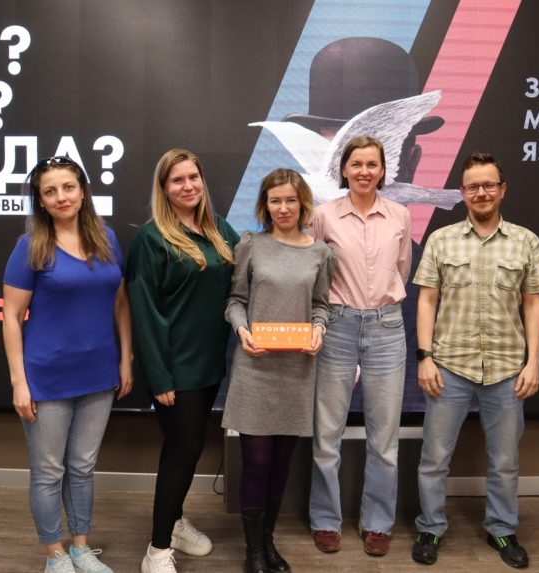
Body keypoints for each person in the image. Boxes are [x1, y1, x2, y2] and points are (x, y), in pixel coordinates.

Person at [411, 152, 539, 568]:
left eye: (489, 185)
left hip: (508, 369)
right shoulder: (441, 240)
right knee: (435, 458)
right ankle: (430, 528)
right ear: (462, 193)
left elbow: (534, 303)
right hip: (449, 366)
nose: (481, 192)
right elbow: (426, 301)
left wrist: (533, 362)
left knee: (505, 461)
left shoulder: (526, 241)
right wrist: (425, 357)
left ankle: (502, 530)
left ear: (502, 189)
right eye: (473, 186)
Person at [3, 155, 132, 573]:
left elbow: (120, 303)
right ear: (40, 200)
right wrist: (19, 383)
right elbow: (10, 317)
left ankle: (80, 548)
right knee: (48, 471)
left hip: (98, 374)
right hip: (47, 376)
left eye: (68, 187)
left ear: (83, 191)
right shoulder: (30, 246)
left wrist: (126, 358)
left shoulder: (107, 238)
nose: (61, 197)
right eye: (50, 191)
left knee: (83, 467)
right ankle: (55, 555)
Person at [126, 148, 240, 573]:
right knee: (184, 451)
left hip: (209, 365)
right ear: (164, 188)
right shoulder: (151, 239)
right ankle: (156, 552)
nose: (188, 186)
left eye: (193, 177)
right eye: (177, 180)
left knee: (182, 449)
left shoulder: (218, 228)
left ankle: (173, 523)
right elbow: (144, 312)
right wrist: (159, 377)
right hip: (175, 369)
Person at [222, 169, 336, 573]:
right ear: (265, 205)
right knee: (255, 462)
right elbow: (235, 300)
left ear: (302, 203)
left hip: (297, 371)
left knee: (281, 463)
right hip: (255, 368)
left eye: (290, 200)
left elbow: (321, 304)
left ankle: (268, 542)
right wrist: (242, 329)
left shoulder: (320, 252)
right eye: (275, 201)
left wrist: (319, 329)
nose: (283, 208)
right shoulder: (251, 245)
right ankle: (253, 551)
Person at [309, 135, 411, 557]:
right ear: (344, 169)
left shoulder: (400, 214)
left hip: (386, 326)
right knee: (326, 433)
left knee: (384, 437)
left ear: (383, 170)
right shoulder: (323, 216)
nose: (364, 171)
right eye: (357, 164)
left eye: (372, 164)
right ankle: (325, 519)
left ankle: (378, 523)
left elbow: (402, 268)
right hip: (338, 325)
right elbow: (316, 272)